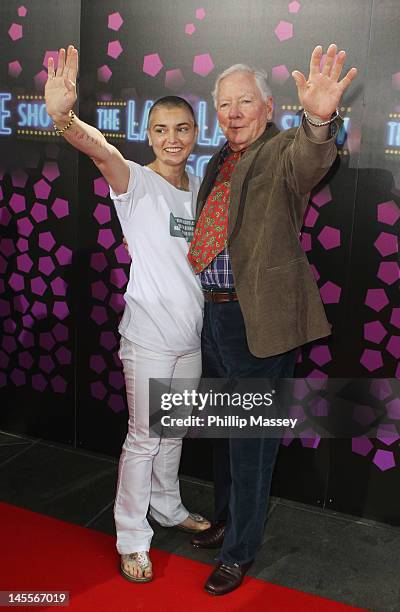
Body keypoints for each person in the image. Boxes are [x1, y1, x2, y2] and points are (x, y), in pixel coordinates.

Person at [188, 44, 357, 596]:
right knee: (221, 433)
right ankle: (224, 521)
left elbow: (313, 158)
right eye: (224, 104)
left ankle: (240, 552)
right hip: (212, 320)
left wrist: (318, 119)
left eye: (244, 102)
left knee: (251, 443)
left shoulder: (285, 149)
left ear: (266, 108)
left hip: (256, 322)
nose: (233, 113)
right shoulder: (216, 159)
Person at [45, 45, 210, 584]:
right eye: (161, 129)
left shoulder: (200, 190)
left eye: (182, 128)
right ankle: (132, 536)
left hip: (191, 338)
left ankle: (168, 509)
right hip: (148, 339)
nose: (172, 139)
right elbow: (100, 152)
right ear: (148, 135)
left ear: (195, 132)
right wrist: (63, 118)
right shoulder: (136, 183)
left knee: (174, 431)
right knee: (144, 438)